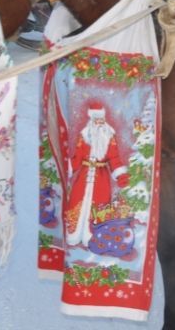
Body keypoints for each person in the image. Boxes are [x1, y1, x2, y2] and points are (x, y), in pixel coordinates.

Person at [64, 101, 130, 247]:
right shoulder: (85, 135)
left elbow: (114, 158)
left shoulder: (109, 136)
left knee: (99, 205)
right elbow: (78, 157)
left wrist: (120, 175)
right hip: (84, 175)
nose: (99, 122)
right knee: (76, 200)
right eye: (96, 119)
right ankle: (73, 233)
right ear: (92, 119)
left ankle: (91, 235)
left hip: (101, 177)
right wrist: (67, 169)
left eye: (101, 119)